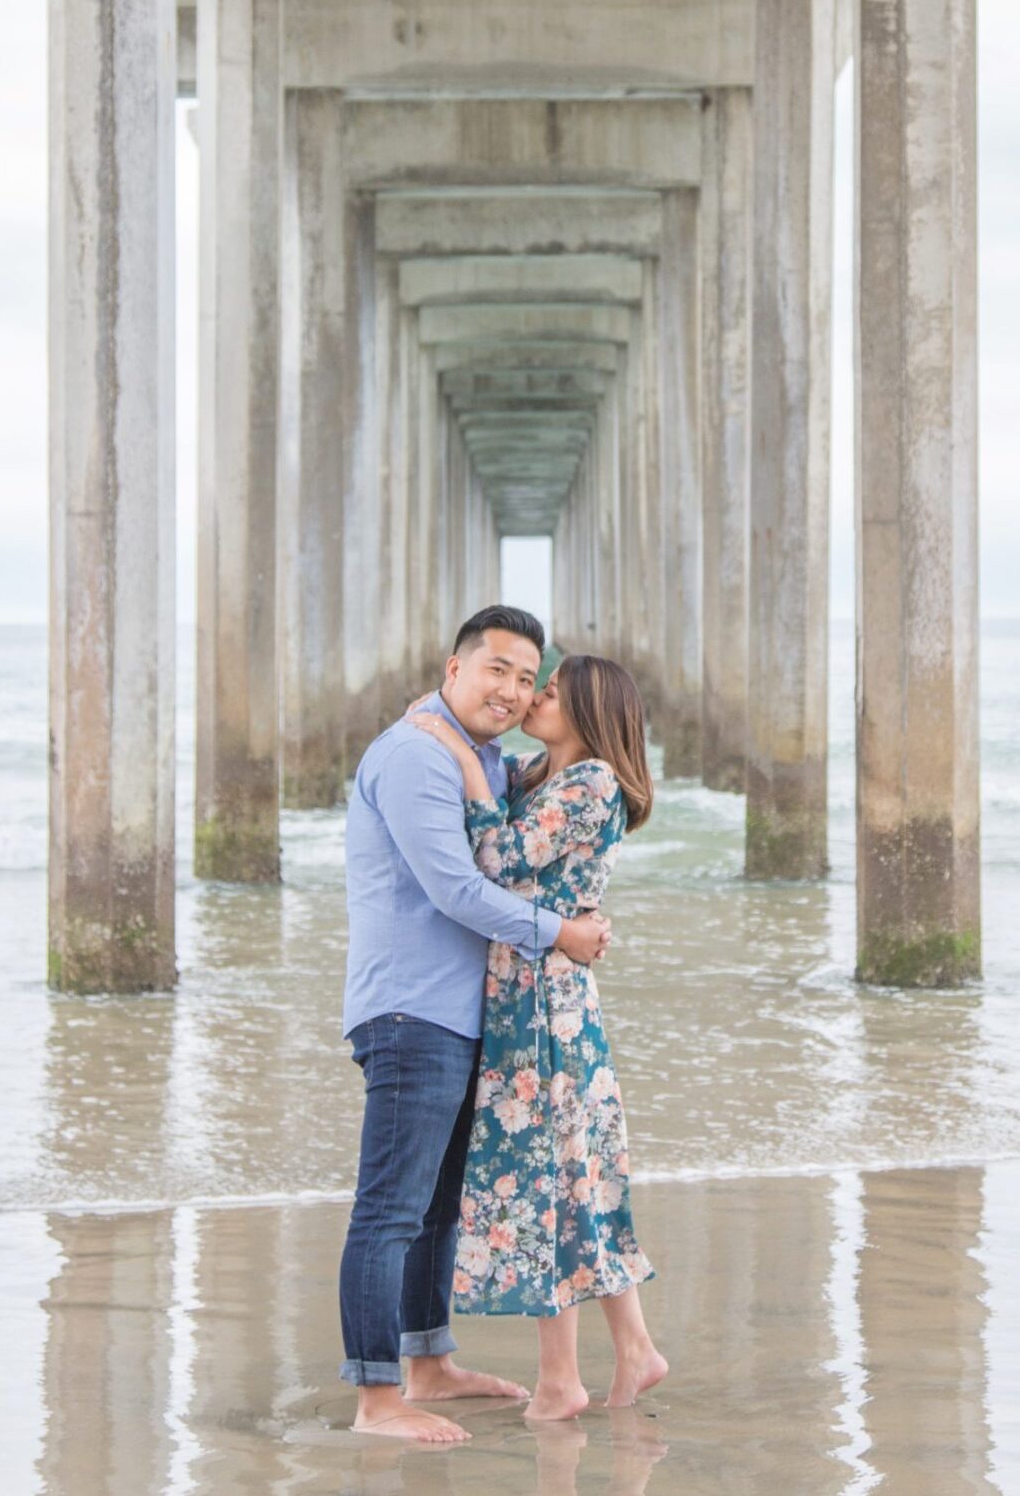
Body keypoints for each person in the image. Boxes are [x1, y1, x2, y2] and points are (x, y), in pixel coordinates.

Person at [338, 606, 613, 1445]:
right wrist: (560, 933)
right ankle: (377, 1395)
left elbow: (546, 837)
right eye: (497, 668)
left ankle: (428, 1362)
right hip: (409, 1010)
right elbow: (456, 888)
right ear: (452, 668)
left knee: (439, 1206)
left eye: (528, 677)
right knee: (389, 1207)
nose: (513, 689)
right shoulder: (419, 754)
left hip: (467, 1015)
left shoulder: (491, 761)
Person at [406, 652, 666, 1423]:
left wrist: (461, 761)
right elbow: (487, 769)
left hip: (544, 1001)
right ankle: (631, 1349)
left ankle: (562, 1378)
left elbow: (494, 860)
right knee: (570, 1179)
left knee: (551, 1182)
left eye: (547, 690)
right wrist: (460, 737)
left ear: (588, 709)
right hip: (534, 992)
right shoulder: (540, 774)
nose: (530, 697)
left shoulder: (589, 785)